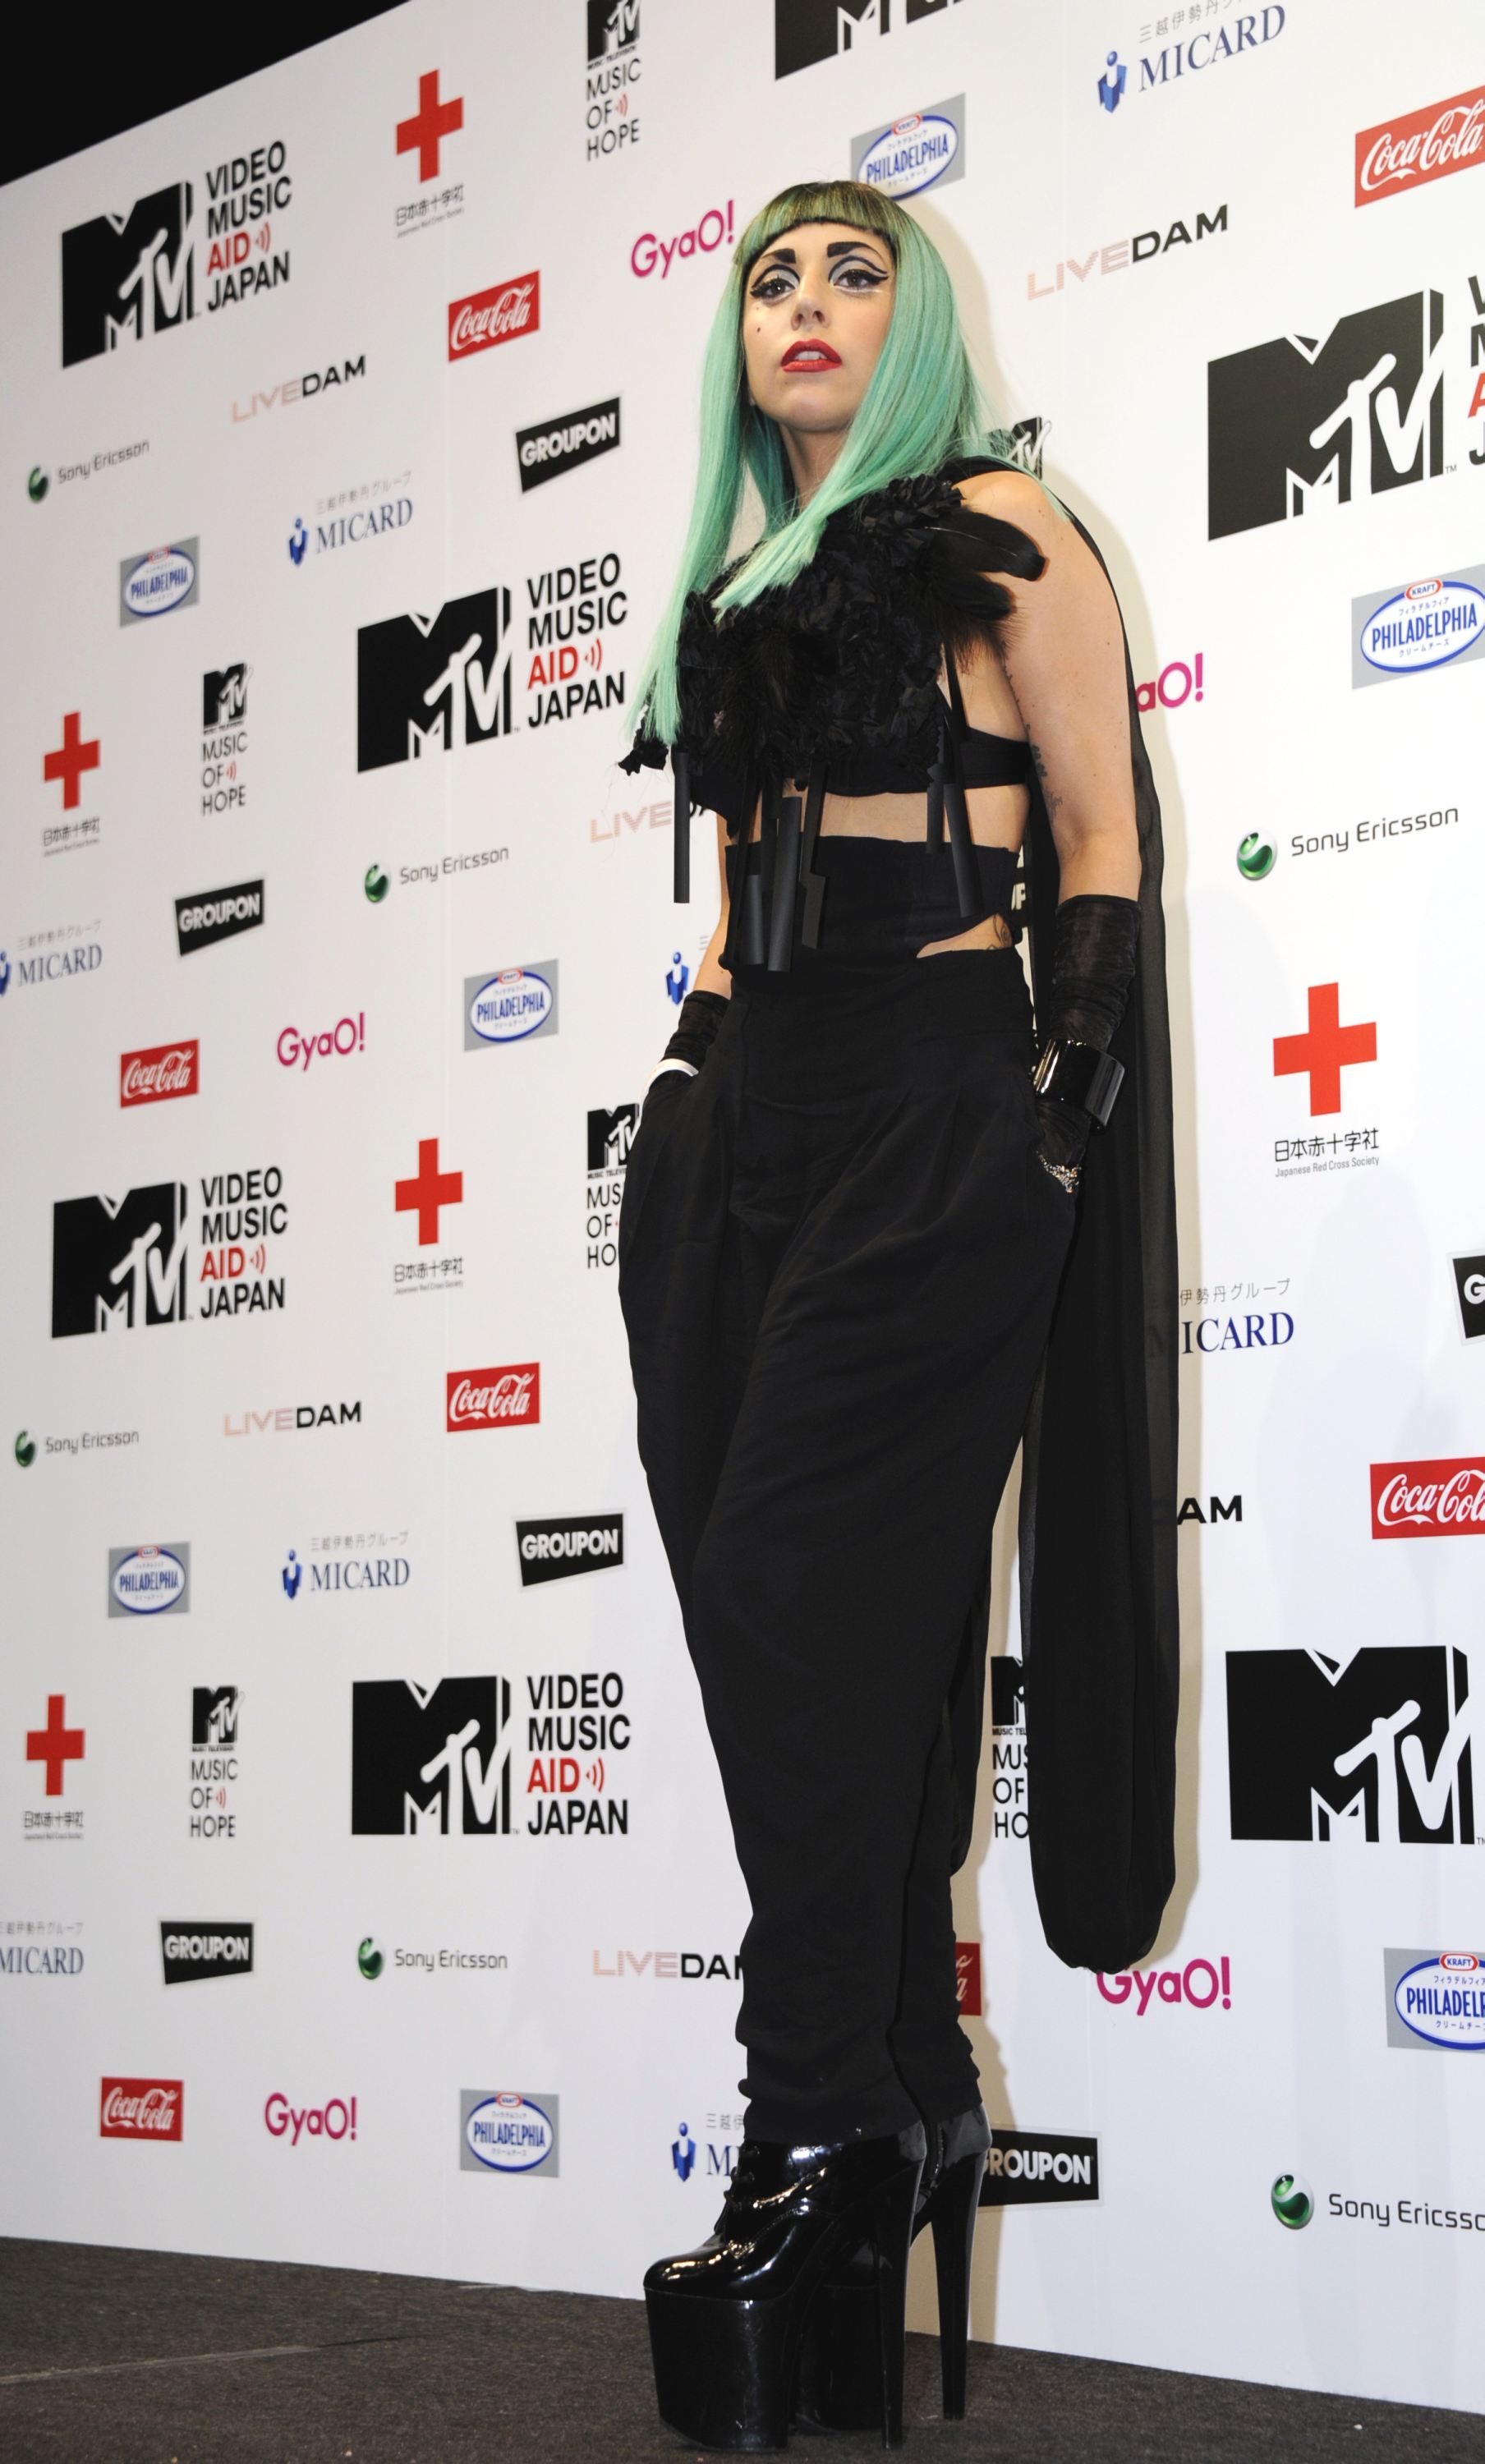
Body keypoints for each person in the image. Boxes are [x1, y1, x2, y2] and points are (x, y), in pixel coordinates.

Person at [615, 179, 1178, 2452]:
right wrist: (683, 1082)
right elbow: (737, 905)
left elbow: (1099, 835)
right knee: (779, 1620)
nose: (807, 304)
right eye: (774, 275)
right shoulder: (738, 598)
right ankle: (912, 2079)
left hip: (944, 1105)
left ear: (919, 322)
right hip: (747, 1112)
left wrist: (1062, 1096)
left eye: (856, 272)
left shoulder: (1008, 531)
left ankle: (817, 2124)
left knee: (793, 1591)